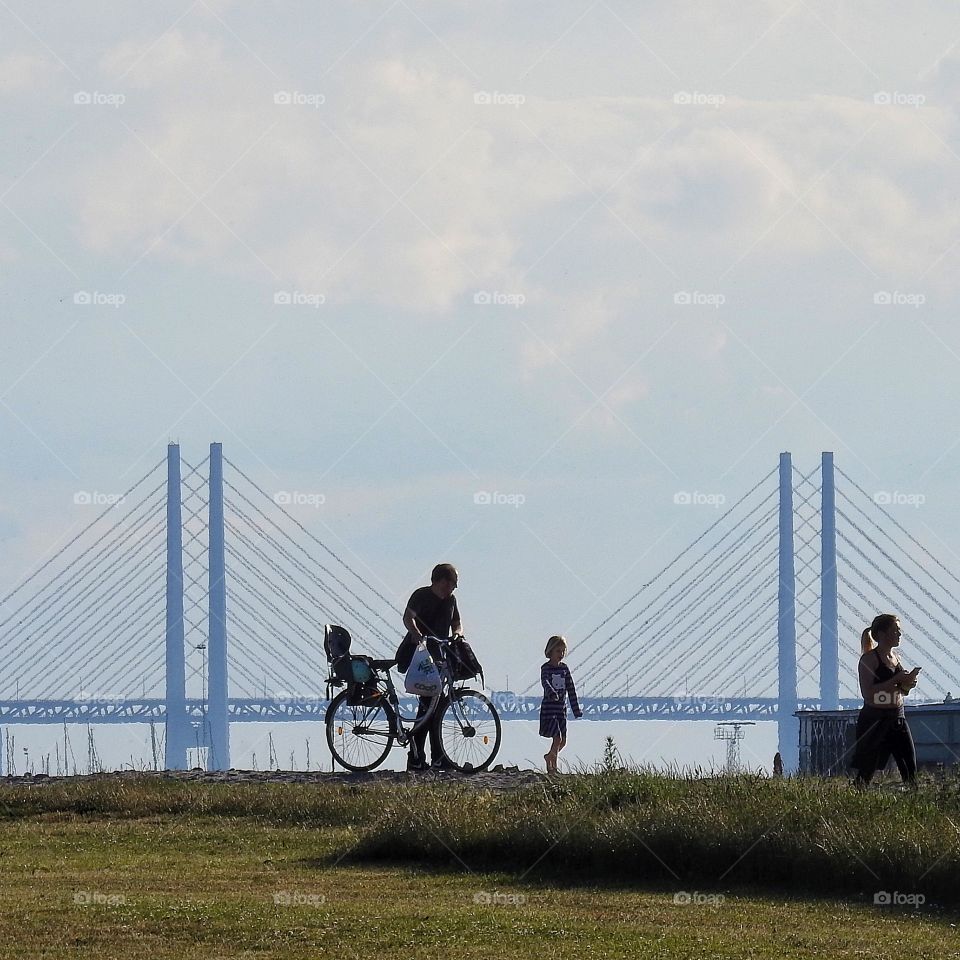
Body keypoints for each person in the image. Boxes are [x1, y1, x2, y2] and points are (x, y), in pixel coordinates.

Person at [397, 563, 462, 771]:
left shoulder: (451, 600)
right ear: (441, 581)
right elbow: (408, 618)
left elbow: (457, 622)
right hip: (419, 656)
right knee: (429, 706)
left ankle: (428, 757)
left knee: (436, 707)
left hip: (440, 657)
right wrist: (418, 637)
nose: (451, 589)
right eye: (451, 584)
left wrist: (458, 634)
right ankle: (421, 757)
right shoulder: (421, 595)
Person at [851, 613, 921, 787]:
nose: (899, 634)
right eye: (895, 631)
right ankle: (857, 798)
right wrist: (895, 681)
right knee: (867, 768)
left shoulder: (896, 658)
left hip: (897, 717)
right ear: (882, 634)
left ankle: (913, 800)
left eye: (899, 631)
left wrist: (908, 683)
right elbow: (868, 693)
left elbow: (901, 691)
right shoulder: (869, 659)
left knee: (909, 766)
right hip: (875, 719)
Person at [540, 635, 582, 774]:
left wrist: (576, 709)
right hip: (549, 709)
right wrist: (552, 693)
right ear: (550, 651)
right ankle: (553, 767)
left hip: (561, 711)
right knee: (556, 737)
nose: (561, 654)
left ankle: (549, 757)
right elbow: (545, 682)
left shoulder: (564, 669)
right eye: (558, 651)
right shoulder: (545, 668)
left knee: (563, 741)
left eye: (563, 651)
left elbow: (571, 688)